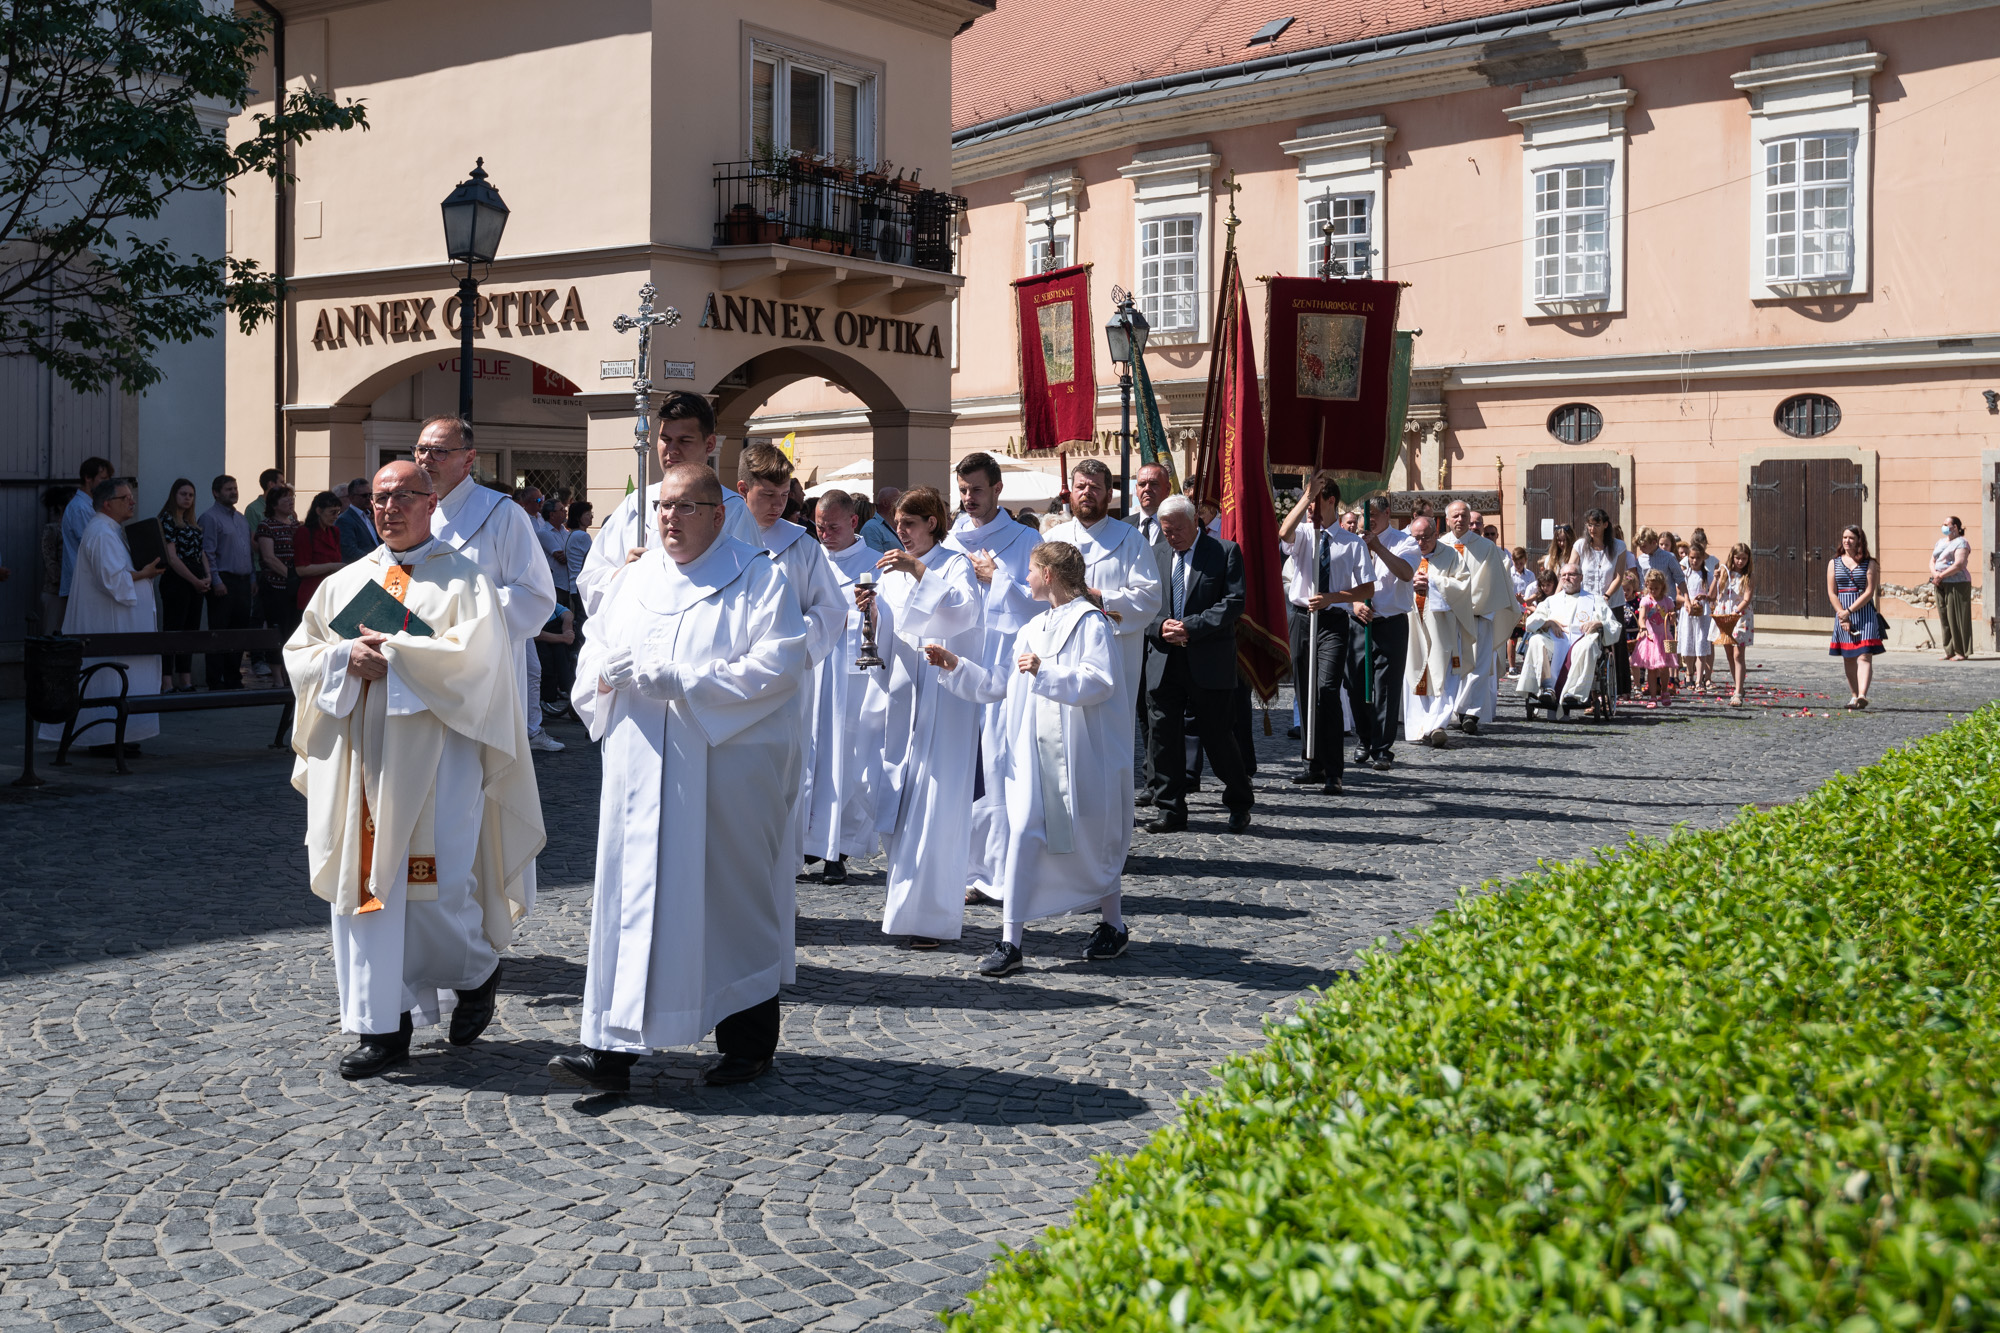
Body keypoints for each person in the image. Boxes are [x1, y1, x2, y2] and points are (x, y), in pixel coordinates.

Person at [547, 464, 807, 1093]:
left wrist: (684, 683)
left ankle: (747, 1042)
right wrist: (604, 675)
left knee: (727, 897)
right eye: (663, 507)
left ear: (719, 515)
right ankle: (609, 1049)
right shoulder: (634, 579)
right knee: (628, 898)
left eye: (686, 507)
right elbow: (594, 650)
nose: (670, 518)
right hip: (638, 766)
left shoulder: (758, 576)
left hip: (721, 769)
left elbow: (778, 665)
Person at [283, 461, 541, 1080]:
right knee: (363, 891)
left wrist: (395, 655)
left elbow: (478, 664)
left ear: (431, 503)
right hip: (359, 764)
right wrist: (346, 657)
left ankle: (477, 971)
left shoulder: (465, 581)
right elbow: (301, 653)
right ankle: (382, 1027)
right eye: (378, 498)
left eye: (403, 496)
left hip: (438, 763)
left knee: (437, 891)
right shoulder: (344, 583)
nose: (389, 507)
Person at [930, 542, 1132, 976]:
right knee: (1021, 836)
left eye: (1031, 570)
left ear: (1050, 574)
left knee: (1095, 837)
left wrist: (1046, 672)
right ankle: (1011, 941)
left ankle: (1113, 924)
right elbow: (1002, 681)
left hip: (1079, 756)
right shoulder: (1035, 625)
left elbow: (1100, 683)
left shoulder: (1090, 624)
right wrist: (956, 666)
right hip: (1030, 760)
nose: (1025, 578)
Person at [870, 486, 984, 948]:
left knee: (936, 808)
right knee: (903, 802)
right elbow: (890, 632)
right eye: (897, 524)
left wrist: (917, 570)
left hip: (943, 699)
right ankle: (903, 911)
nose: (901, 532)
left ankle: (932, 918)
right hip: (903, 695)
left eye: (909, 524)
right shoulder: (892, 572)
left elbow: (963, 614)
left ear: (931, 523)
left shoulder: (954, 563)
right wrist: (871, 615)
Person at [418, 416, 562, 770]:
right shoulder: (415, 509)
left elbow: (536, 596)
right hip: (421, 670)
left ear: (468, 459)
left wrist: (456, 607)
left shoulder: (502, 513)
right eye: (420, 450)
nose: (425, 460)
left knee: (472, 784)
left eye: (438, 451)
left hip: (483, 672)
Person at [737, 443, 850, 867]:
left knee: (784, 780)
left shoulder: (801, 547)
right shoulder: (721, 538)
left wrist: (793, 637)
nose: (777, 506)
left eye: (784, 497)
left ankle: (780, 887)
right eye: (767, 496)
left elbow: (831, 609)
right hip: (732, 678)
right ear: (742, 489)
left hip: (785, 684)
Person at [949, 452, 1045, 907]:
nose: (969, 499)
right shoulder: (950, 538)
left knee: (998, 768)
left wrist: (998, 579)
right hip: (956, 665)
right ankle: (963, 866)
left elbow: (1045, 600)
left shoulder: (1026, 539)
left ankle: (1000, 871)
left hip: (1003, 669)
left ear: (998, 490)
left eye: (977, 491)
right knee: (961, 768)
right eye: (964, 491)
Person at [574, 392, 757, 617]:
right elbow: (590, 578)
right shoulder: (637, 504)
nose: (672, 450)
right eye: (665, 439)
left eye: (684, 440)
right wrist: (623, 575)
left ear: (709, 443)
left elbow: (749, 590)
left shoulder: (732, 510)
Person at [801, 490, 895, 884]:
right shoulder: (809, 558)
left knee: (847, 763)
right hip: (814, 672)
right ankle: (806, 842)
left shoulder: (874, 565)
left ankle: (837, 849)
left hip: (851, 680)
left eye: (833, 527)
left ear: (854, 523)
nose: (825, 535)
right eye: (820, 527)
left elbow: (888, 622)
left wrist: (869, 611)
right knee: (810, 759)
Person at [1144, 495, 1252, 833]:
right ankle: (1170, 808)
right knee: (1163, 738)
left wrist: (1191, 627)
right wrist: (1160, 626)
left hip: (1209, 661)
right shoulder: (1154, 554)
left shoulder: (1224, 552)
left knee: (1218, 737)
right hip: (1164, 661)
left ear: (1195, 523)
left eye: (1177, 529)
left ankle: (1238, 800)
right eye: (1166, 531)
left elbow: (1233, 603)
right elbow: (1142, 603)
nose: (1172, 536)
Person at [1039, 459, 1162, 749]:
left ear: (1110, 494)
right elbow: (1034, 593)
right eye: (1080, 486)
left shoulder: (1131, 540)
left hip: (1115, 652)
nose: (1086, 492)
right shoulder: (1053, 539)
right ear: (1070, 493)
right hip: (1062, 649)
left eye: (1095, 487)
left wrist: (1099, 597)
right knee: (1064, 731)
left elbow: (1149, 597)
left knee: (1110, 734)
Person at [40, 478, 164, 755]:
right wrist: (145, 573)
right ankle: (104, 737)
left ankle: (115, 735)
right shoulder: (101, 533)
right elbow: (112, 579)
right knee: (109, 677)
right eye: (125, 498)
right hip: (109, 623)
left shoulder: (110, 530)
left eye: (132, 497)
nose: (132, 501)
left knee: (119, 678)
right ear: (107, 504)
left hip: (120, 624)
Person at [1277, 474, 1375, 793]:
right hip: (1302, 618)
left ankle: (1334, 769)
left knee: (1327, 690)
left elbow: (1368, 587)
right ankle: (1312, 763)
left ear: (1330, 501)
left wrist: (1335, 597)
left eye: (1316, 500)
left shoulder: (1352, 542)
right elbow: (1283, 532)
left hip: (1332, 620)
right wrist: (1306, 497)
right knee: (1305, 692)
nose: (1309, 508)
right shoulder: (1305, 533)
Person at [1429, 500, 1519, 733]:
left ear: (1470, 519)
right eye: (1455, 516)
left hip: (1478, 613)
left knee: (1478, 665)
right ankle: (1449, 707)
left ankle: (1470, 713)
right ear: (1447, 520)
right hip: (1448, 617)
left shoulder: (1486, 547)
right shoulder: (1438, 546)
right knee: (1451, 665)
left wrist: (1470, 605)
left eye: (1464, 516)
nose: (1460, 520)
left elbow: (1489, 582)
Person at [1353, 503, 1419, 768]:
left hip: (1390, 623)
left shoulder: (1405, 542)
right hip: (1359, 621)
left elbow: (1405, 573)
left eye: (1372, 516)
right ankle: (1364, 738)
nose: (1366, 521)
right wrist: (1355, 604)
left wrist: (1377, 546)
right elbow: (1342, 579)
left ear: (1386, 514)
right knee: (1356, 683)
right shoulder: (1352, 542)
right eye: (1361, 516)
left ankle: (1382, 747)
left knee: (1386, 689)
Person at [1127, 462, 1175, 805]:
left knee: (1166, 712)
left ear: (1167, 489)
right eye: (1142, 484)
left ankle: (1178, 777)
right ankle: (1150, 779)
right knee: (1141, 711)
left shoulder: (1179, 528)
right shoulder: (1125, 529)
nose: (1147, 490)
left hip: (1168, 634)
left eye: (1154, 484)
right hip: (1130, 634)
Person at [1515, 563, 1620, 714]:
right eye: (1563, 575)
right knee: (1535, 640)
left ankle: (1574, 692)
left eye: (1572, 575)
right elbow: (1531, 623)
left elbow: (1614, 625)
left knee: (1588, 645)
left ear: (1581, 578)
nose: (1567, 578)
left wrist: (1598, 623)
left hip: (1581, 642)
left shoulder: (1595, 600)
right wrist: (1548, 622)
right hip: (1554, 641)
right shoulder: (1552, 601)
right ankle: (1548, 687)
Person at [1403, 515, 1470, 748]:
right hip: (1412, 624)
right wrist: (1409, 582)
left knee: (1442, 674)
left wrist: (1432, 581)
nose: (1420, 543)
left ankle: (1437, 725)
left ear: (1435, 533)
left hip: (1442, 627)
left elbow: (1463, 586)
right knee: (1415, 671)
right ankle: (1419, 727)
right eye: (1416, 538)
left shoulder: (1451, 555)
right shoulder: (1405, 552)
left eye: (1425, 538)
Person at [200, 474, 255, 690]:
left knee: (239, 633)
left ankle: (234, 677)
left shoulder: (241, 519)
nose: (233, 492)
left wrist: (251, 578)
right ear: (216, 492)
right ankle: (215, 680)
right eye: (228, 489)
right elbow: (207, 552)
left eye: (235, 488)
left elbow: (249, 552)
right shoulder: (210, 518)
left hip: (242, 583)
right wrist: (216, 581)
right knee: (219, 633)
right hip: (223, 582)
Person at [158, 478, 212, 693]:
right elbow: (172, 558)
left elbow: (201, 553)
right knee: (173, 630)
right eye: (183, 494)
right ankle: (166, 681)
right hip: (176, 579)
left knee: (190, 630)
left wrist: (207, 576)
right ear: (174, 495)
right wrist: (195, 580)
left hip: (196, 577)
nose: (187, 498)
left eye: (191, 495)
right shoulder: (167, 520)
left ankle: (186, 679)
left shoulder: (192, 522)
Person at [1828, 524, 1885, 708]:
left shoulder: (1870, 563)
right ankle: (1853, 695)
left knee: (1865, 655)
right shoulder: (1834, 563)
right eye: (1844, 537)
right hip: (1842, 612)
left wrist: (1849, 611)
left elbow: (1869, 591)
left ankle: (1862, 695)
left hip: (1865, 613)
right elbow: (1832, 592)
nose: (1847, 541)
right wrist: (1842, 615)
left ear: (1859, 540)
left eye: (1851, 538)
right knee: (1849, 656)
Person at [1575, 508, 1630, 695]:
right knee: (1587, 643)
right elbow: (1571, 571)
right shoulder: (1581, 546)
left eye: (1596, 525)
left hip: (1611, 602)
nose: (1592, 529)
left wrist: (1606, 596)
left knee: (1615, 643)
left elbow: (1618, 576)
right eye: (1589, 525)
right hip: (1586, 602)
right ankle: (1587, 686)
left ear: (1605, 525)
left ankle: (1619, 687)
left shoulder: (1619, 547)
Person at [57, 456, 114, 624]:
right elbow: (94, 545)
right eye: (103, 479)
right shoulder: (80, 508)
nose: (106, 484)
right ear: (88, 478)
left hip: (87, 583)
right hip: (82, 584)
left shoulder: (89, 506)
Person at [254, 486, 302, 684]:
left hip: (295, 589)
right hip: (275, 587)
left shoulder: (297, 526)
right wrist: (291, 576)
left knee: (294, 630)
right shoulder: (267, 526)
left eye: (291, 499)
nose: (290, 502)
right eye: (285, 500)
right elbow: (269, 558)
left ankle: (290, 674)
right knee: (277, 631)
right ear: (274, 504)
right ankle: (277, 678)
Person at [1713, 543, 1755, 707]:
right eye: (1738, 558)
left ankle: (1738, 692)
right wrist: (1715, 578)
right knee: (1730, 654)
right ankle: (1739, 685)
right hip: (1724, 615)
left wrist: (1736, 611)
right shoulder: (1725, 572)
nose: (1740, 562)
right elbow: (1713, 594)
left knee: (1738, 654)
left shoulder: (1749, 576)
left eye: (1744, 558)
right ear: (1732, 557)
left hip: (1740, 616)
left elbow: (1747, 598)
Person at [293, 491, 347, 613]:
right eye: (332, 512)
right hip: (311, 594)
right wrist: (332, 566)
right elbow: (301, 569)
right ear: (319, 511)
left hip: (332, 593)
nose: (336, 516)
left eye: (338, 512)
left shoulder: (334, 532)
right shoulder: (304, 532)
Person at [1932, 516, 1973, 660]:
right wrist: (1936, 575)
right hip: (1940, 582)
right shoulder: (1940, 542)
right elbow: (1932, 560)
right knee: (1945, 617)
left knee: (1957, 617)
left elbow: (1959, 564)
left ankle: (1961, 652)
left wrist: (1941, 575)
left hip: (1957, 583)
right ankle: (1949, 650)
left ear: (1955, 527)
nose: (1943, 526)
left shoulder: (1961, 542)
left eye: (1946, 524)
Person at [1632, 569, 1672, 704]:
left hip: (1664, 638)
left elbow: (1672, 618)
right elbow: (1641, 617)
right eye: (1651, 588)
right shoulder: (1646, 601)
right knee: (1652, 669)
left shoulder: (1667, 601)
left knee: (1664, 667)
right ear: (1647, 587)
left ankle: (1665, 691)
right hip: (1651, 638)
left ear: (1662, 587)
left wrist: (1672, 616)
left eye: (1656, 588)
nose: (1653, 591)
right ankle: (1653, 696)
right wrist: (1643, 627)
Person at [1678, 541, 1713, 691]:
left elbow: (1712, 596)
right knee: (1688, 644)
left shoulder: (1707, 575)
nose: (1694, 560)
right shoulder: (1684, 575)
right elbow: (1677, 596)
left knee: (1701, 644)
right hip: (1687, 613)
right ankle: (1689, 674)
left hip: (1702, 614)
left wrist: (1703, 597)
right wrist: (1688, 600)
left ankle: (1700, 679)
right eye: (1692, 557)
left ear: (1702, 558)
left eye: (1697, 558)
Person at [336, 478, 378, 563]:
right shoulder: (344, 520)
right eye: (364, 495)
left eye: (370, 495)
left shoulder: (368, 516)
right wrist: (375, 561)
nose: (368, 498)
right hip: (363, 567)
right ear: (351, 498)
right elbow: (350, 551)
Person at [243, 467, 285, 533]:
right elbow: (252, 538)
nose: (284, 486)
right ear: (271, 484)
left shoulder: (285, 506)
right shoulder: (253, 509)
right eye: (282, 482)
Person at [862, 486, 903, 552]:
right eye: (898, 500)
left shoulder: (899, 525)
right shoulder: (871, 527)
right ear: (885, 503)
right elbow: (874, 559)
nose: (901, 504)